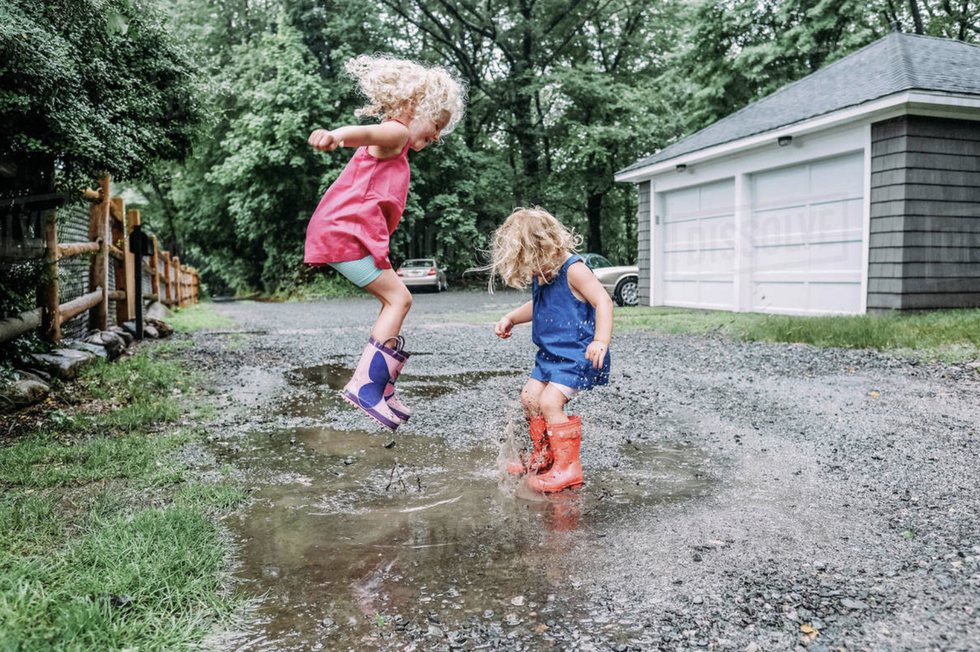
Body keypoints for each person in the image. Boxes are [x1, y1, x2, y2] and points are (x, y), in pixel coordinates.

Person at [305, 54, 465, 432]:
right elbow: (366, 133)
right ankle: (368, 388)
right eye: (436, 125)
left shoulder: (400, 145)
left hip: (348, 234)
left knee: (393, 300)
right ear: (414, 109)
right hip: (343, 234)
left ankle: (382, 387)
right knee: (399, 299)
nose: (437, 136)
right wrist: (336, 136)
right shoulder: (396, 134)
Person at [491, 207, 612, 492]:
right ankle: (544, 456)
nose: (531, 271)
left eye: (529, 262)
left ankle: (568, 468)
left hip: (578, 354)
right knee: (530, 397)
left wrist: (600, 341)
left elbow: (603, 301)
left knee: (549, 402)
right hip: (550, 355)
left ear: (543, 248)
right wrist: (511, 318)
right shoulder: (543, 273)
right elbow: (539, 304)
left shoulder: (574, 269)